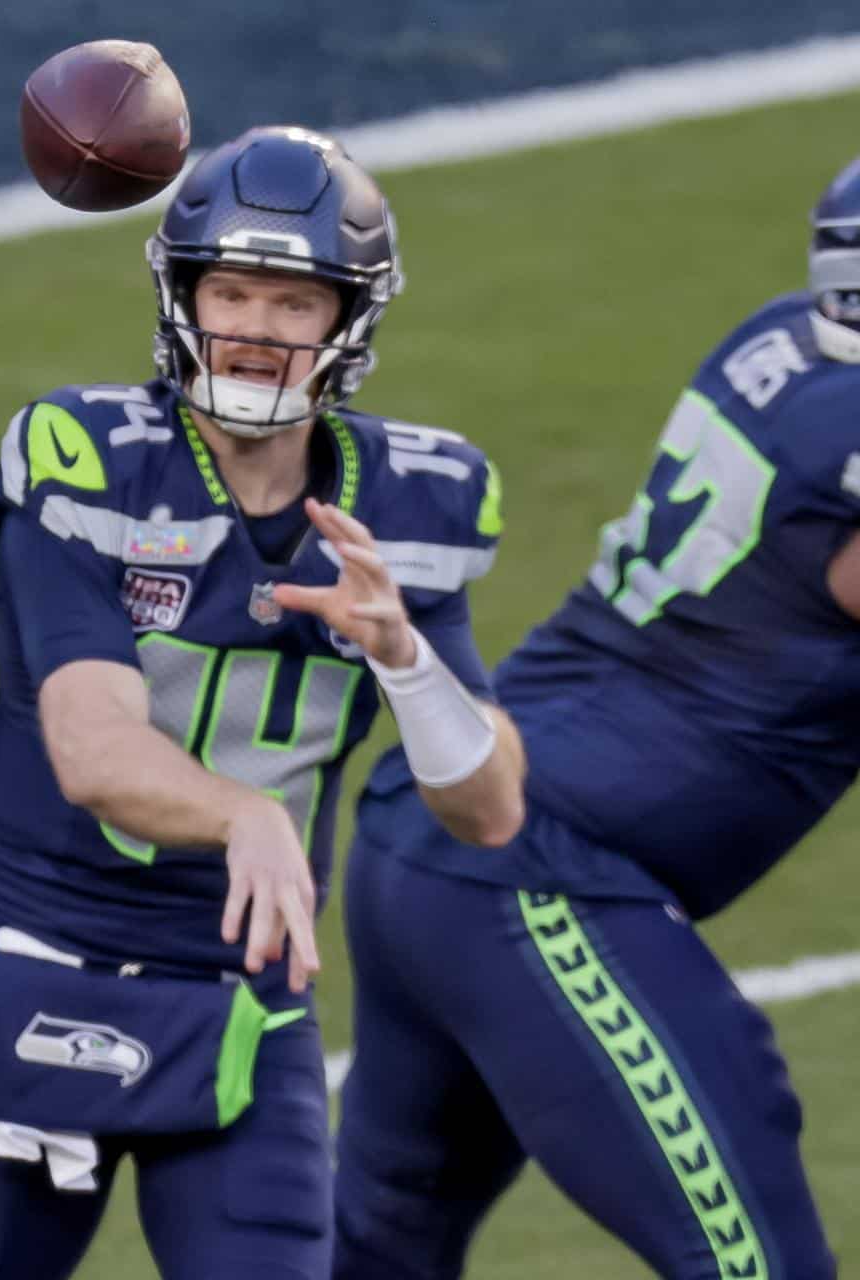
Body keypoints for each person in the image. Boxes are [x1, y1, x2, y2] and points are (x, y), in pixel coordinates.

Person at [0, 125, 525, 1280]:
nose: (255, 329)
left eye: (293, 303)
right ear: (183, 295)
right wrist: (246, 811)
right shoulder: (90, 456)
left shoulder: (409, 503)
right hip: (46, 964)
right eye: (230, 291)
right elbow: (90, 747)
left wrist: (407, 660)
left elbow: (488, 810)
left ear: (347, 321)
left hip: (247, 994)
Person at [328, 160, 860, 1280]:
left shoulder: (787, 341)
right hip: (542, 878)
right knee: (753, 1261)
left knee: (376, 1251)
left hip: (436, 845)